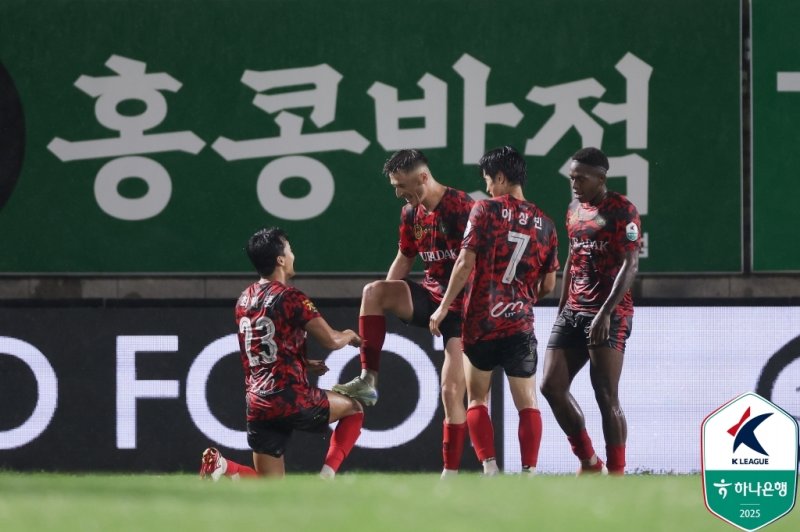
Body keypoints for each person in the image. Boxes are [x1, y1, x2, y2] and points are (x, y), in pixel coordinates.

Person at [332, 149, 474, 477]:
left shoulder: (463, 208)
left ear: (423, 177)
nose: (398, 193)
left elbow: (473, 265)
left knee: (452, 391)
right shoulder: (411, 213)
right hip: (431, 297)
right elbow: (405, 258)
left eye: (402, 185)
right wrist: (384, 299)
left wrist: (449, 308)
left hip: (464, 309)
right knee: (373, 291)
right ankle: (368, 379)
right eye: (395, 187)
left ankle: (449, 475)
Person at [430, 145, 559, 476]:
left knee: (476, 400)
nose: (488, 187)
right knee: (527, 403)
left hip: (481, 322)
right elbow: (548, 285)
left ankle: (489, 466)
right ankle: (529, 472)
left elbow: (464, 261)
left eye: (489, 180)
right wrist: (523, 298)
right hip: (520, 324)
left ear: (500, 177)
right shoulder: (546, 223)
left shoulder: (484, 210)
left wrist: (444, 307)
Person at [200, 227, 364, 480]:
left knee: (270, 486)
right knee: (354, 408)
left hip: (257, 403)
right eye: (289, 249)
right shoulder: (291, 297)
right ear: (280, 259)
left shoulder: (244, 299)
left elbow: (261, 349)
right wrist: (349, 336)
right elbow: (331, 340)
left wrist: (303, 363)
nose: (293, 255)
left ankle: (223, 466)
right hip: (290, 397)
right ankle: (326, 478)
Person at [540, 146, 641, 476]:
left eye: (580, 178)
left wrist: (606, 313)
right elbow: (572, 259)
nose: (574, 183)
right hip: (573, 309)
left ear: (601, 178)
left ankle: (617, 473)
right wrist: (561, 308)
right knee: (551, 386)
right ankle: (588, 460)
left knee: (606, 395)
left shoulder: (621, 210)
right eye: (571, 178)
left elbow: (631, 265)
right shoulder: (574, 210)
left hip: (608, 313)